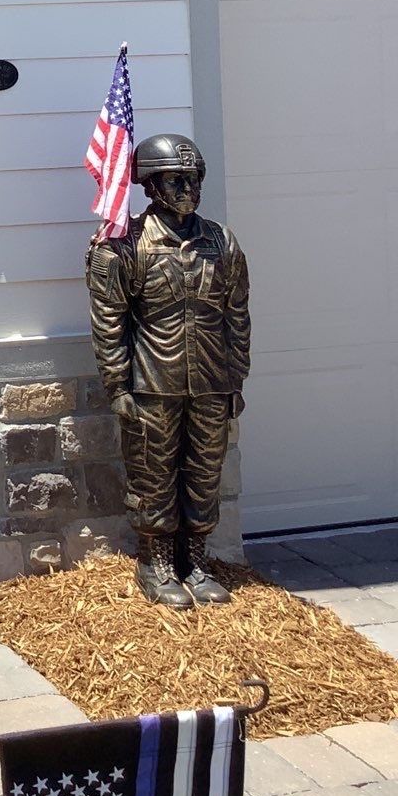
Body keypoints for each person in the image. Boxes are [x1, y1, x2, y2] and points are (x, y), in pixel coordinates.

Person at [85, 135, 250, 607]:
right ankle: (155, 565)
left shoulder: (222, 242)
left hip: (212, 384)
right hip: (152, 385)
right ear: (152, 186)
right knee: (153, 476)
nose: (188, 188)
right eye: (176, 180)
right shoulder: (124, 247)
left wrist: (235, 378)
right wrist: (118, 386)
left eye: (194, 178)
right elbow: (109, 323)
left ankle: (195, 562)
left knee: (203, 474)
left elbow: (237, 314)